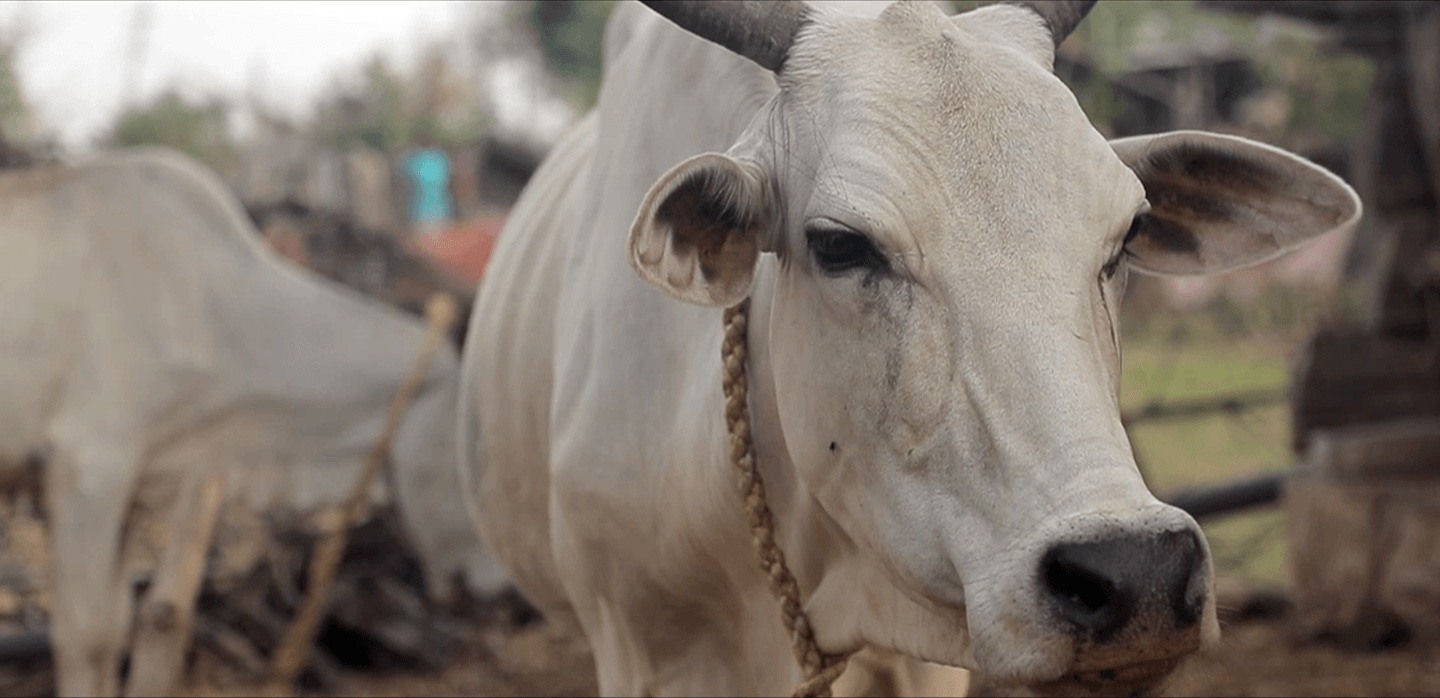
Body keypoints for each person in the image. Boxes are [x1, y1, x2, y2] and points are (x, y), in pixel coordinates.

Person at [402, 134, 455, 238]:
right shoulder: (442, 159)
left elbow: (403, 179)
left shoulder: (413, 160)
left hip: (419, 211)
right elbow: (449, 180)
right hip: (442, 209)